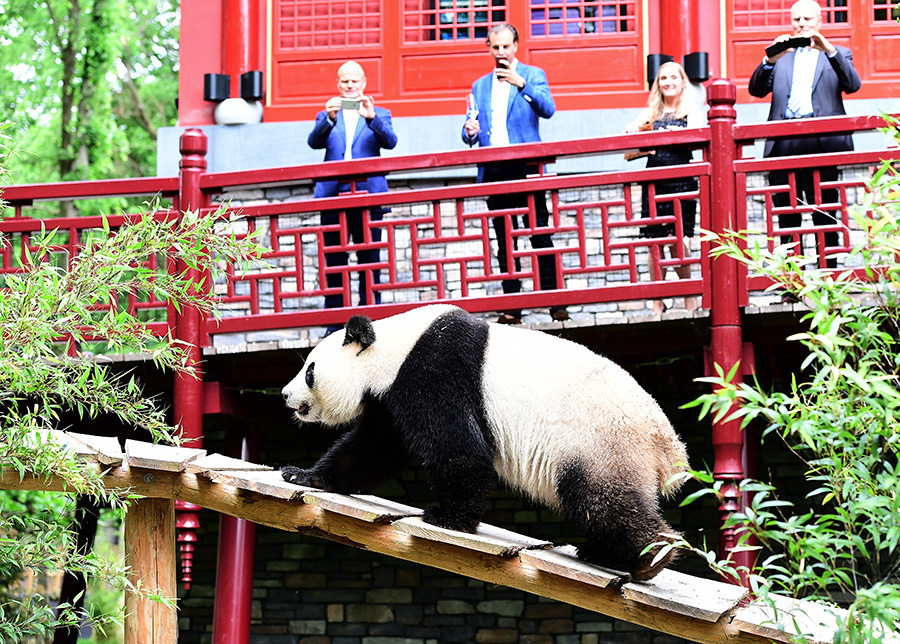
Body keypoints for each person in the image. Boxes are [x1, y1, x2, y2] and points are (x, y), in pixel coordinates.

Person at [748, 0, 861, 284]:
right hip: (784, 143)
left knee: (826, 216)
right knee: (788, 218)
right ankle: (792, 284)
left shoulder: (839, 54)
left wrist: (830, 50)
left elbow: (853, 84)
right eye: (796, 18)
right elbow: (756, 89)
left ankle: (830, 280)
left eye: (807, 18)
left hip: (823, 143)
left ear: (820, 21)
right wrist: (769, 59)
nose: (801, 24)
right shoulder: (782, 56)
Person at [462, 22, 568, 324]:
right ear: (489, 47)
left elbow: (548, 109)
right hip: (494, 166)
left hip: (527, 165)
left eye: (506, 46)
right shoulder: (479, 85)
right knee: (503, 237)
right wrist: (469, 131)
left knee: (539, 233)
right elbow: (469, 128)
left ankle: (554, 301)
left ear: (516, 46)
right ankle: (512, 305)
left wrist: (521, 84)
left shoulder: (533, 75)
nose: (501, 52)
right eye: (495, 47)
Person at [308, 60, 398, 311]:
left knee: (369, 257)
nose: (349, 85)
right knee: (334, 257)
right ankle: (335, 313)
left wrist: (372, 119)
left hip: (368, 194)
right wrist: (328, 119)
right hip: (333, 195)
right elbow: (313, 143)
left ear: (364, 83)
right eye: (344, 81)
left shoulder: (379, 113)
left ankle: (370, 311)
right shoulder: (326, 114)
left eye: (354, 81)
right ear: (337, 84)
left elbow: (391, 142)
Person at [625, 61, 704, 315]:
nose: (668, 82)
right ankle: (657, 301)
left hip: (681, 180)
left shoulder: (691, 110)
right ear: (657, 84)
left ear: (683, 82)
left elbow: (700, 136)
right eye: (662, 78)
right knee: (654, 243)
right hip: (655, 182)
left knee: (680, 242)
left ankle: (689, 299)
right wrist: (635, 134)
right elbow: (629, 138)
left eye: (673, 77)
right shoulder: (651, 112)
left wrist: (677, 135)